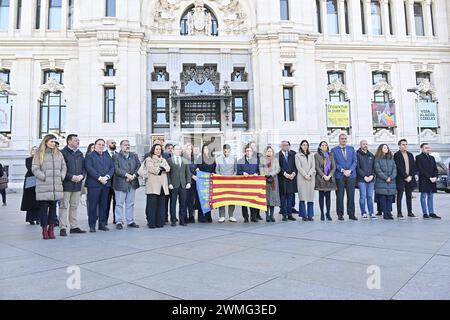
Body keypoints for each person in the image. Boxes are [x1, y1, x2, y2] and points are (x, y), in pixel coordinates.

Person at [32, 134, 67, 240]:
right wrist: (43, 177)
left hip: (56, 187)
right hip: (44, 186)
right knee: (43, 210)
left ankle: (51, 229)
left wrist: (61, 176)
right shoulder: (39, 154)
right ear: (46, 142)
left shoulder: (58, 153)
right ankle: (44, 230)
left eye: (54, 141)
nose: (53, 143)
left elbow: (64, 166)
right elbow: (35, 168)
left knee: (53, 209)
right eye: (51, 141)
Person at [85, 139, 115, 232]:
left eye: (102, 144)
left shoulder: (107, 155)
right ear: (95, 145)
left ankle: (102, 224)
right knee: (93, 206)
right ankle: (92, 225)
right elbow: (89, 168)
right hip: (94, 185)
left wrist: (107, 177)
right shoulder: (90, 156)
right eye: (99, 144)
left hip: (105, 184)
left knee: (104, 205)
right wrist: (99, 178)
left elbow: (112, 167)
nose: (101, 146)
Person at [138, 144, 171, 228]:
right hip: (152, 185)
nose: (158, 151)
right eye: (156, 149)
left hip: (162, 186)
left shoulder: (163, 159)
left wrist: (162, 168)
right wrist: (160, 169)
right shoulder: (149, 159)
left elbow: (168, 168)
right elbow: (151, 169)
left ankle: (160, 222)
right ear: (153, 150)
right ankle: (151, 223)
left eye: (160, 149)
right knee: (152, 206)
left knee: (161, 205)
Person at [59, 134, 86, 236]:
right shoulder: (62, 153)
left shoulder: (79, 153)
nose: (78, 142)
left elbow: (84, 168)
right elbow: (61, 169)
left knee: (74, 206)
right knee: (64, 206)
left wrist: (81, 176)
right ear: (69, 141)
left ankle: (74, 226)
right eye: (75, 140)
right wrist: (71, 177)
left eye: (78, 140)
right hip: (66, 185)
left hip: (77, 185)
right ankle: (63, 227)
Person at [112, 140, 141, 229]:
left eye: (128, 145)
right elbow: (116, 169)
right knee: (119, 203)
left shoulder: (134, 155)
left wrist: (134, 175)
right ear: (120, 146)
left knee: (130, 203)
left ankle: (130, 221)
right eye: (125, 145)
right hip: (121, 183)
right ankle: (119, 221)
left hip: (132, 182)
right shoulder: (116, 156)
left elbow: (139, 166)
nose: (127, 146)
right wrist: (127, 175)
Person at [331, 133, 358, 221]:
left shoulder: (351, 148)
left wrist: (350, 170)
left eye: (345, 139)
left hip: (351, 175)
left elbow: (355, 161)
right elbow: (334, 163)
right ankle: (340, 214)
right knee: (340, 196)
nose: (344, 140)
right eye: (342, 139)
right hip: (340, 176)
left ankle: (351, 214)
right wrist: (342, 170)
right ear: (339, 140)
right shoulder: (334, 150)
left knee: (351, 196)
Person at [167, 144, 192, 226]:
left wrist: (188, 182)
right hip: (173, 185)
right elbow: (168, 174)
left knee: (183, 203)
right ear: (173, 151)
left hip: (183, 185)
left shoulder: (184, 160)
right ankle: (173, 220)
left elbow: (188, 172)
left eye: (180, 149)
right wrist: (169, 183)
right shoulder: (169, 160)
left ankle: (182, 220)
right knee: (173, 203)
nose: (179, 151)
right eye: (177, 149)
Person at [416, 143, 441, 219]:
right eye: (426, 148)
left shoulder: (432, 157)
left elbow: (435, 169)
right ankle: (425, 213)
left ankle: (431, 212)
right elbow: (420, 169)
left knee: (431, 196)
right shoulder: (418, 157)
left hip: (432, 180)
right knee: (423, 196)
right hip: (424, 179)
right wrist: (429, 177)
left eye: (429, 148)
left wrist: (435, 177)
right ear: (422, 149)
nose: (428, 149)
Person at [394, 139, 418, 219]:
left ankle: (410, 212)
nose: (405, 146)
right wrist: (405, 176)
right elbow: (398, 167)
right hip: (401, 178)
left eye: (406, 144)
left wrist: (410, 176)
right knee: (399, 196)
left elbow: (413, 167)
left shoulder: (410, 155)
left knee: (409, 195)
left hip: (409, 179)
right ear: (399, 145)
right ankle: (399, 213)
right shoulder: (396, 155)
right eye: (403, 144)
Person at [237, 144, 261, 223]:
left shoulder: (256, 161)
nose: (248, 152)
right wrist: (242, 173)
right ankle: (245, 217)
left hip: (253, 185)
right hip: (243, 184)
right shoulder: (240, 161)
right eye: (247, 151)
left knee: (253, 200)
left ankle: (253, 217)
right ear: (245, 152)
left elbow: (259, 171)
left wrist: (257, 173)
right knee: (244, 201)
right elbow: (238, 172)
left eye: (250, 151)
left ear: (252, 152)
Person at [314, 141, 337, 221]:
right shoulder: (316, 155)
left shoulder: (331, 155)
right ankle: (322, 213)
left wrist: (329, 176)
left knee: (328, 197)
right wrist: (324, 176)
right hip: (321, 178)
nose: (324, 146)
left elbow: (334, 167)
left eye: (325, 145)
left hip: (329, 179)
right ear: (320, 146)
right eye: (322, 145)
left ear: (327, 146)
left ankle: (328, 213)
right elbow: (317, 167)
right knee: (321, 196)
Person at [215, 144, 237, 223]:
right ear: (223, 150)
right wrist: (220, 177)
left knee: (231, 198)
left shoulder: (234, 158)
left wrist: (232, 177)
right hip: (222, 181)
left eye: (228, 150)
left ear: (230, 150)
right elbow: (217, 170)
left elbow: (235, 170)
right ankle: (222, 216)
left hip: (231, 181)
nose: (226, 152)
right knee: (221, 198)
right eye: (225, 150)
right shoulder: (218, 159)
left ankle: (231, 215)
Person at [374, 144, 397, 220]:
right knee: (383, 198)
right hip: (381, 181)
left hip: (391, 181)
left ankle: (389, 212)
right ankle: (385, 213)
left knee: (390, 198)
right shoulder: (377, 159)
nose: (386, 149)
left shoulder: (391, 158)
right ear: (381, 149)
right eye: (384, 148)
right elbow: (377, 170)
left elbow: (394, 169)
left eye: (387, 148)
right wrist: (385, 178)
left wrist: (391, 177)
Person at [194, 144, 216, 223]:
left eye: (207, 148)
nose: (206, 150)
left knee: (208, 199)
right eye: (204, 148)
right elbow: (197, 168)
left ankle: (208, 216)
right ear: (202, 149)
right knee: (201, 199)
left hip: (209, 181)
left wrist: (212, 174)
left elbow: (214, 169)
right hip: (202, 182)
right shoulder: (200, 158)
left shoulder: (212, 159)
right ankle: (201, 217)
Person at [295, 140, 316, 221]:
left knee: (310, 197)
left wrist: (309, 174)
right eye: (303, 145)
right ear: (300, 146)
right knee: (302, 196)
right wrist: (305, 175)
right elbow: (298, 167)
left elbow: (313, 166)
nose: (305, 146)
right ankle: (304, 215)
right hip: (302, 178)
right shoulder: (297, 156)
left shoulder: (311, 155)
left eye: (306, 145)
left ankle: (310, 215)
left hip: (311, 178)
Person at [356, 140, 376, 220]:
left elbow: (374, 167)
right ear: (360, 145)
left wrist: (372, 175)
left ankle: (371, 212)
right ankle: (363, 212)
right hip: (362, 179)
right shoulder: (357, 154)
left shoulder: (371, 155)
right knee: (363, 196)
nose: (365, 145)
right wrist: (364, 176)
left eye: (366, 144)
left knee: (370, 196)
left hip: (371, 179)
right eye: (363, 144)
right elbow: (357, 167)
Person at [259, 146, 280, 222]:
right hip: (265, 180)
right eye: (268, 151)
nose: (269, 152)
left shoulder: (275, 160)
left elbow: (278, 169)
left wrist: (271, 174)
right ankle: (267, 215)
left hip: (274, 181)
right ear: (265, 152)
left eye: (271, 151)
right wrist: (266, 175)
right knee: (266, 199)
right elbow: (260, 168)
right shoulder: (262, 159)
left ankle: (272, 215)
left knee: (273, 199)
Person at [278, 141, 297, 221]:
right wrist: (285, 174)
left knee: (290, 198)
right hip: (282, 179)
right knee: (283, 198)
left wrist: (293, 173)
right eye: (284, 145)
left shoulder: (293, 155)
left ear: (289, 146)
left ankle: (290, 214)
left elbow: (295, 165)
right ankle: (284, 215)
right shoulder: (277, 155)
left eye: (287, 145)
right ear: (281, 146)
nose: (286, 146)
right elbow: (278, 167)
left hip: (291, 179)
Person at [21, 147, 40, 225]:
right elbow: (30, 169)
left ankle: (38, 218)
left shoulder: (40, 159)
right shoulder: (28, 159)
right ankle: (30, 219)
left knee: (38, 200)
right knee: (29, 200)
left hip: (39, 180)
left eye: (36, 150)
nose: (34, 151)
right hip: (30, 180)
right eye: (33, 150)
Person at [184, 143, 198, 223]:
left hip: (193, 182)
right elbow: (184, 170)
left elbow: (196, 167)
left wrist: (197, 171)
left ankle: (191, 216)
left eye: (190, 149)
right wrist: (192, 175)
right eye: (188, 149)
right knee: (185, 200)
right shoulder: (183, 158)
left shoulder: (194, 158)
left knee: (191, 200)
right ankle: (185, 216)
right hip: (186, 181)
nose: (189, 150)